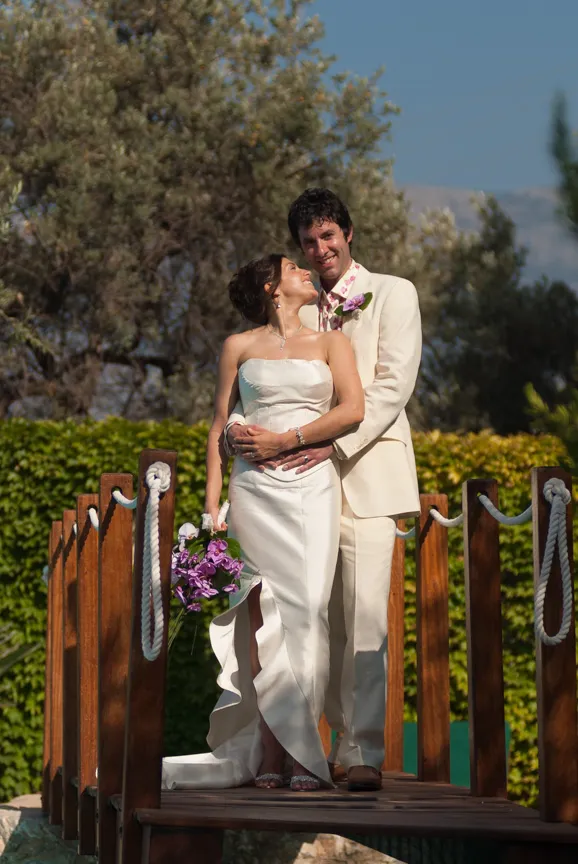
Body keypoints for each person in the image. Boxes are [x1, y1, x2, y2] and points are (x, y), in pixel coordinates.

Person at [227, 188, 422, 792]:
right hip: (293, 491)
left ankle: (360, 750)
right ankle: (303, 746)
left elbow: (391, 387)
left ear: (349, 234)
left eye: (329, 236)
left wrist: (328, 444)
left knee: (364, 619)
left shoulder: (393, 292)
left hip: (365, 475)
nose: (320, 249)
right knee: (306, 620)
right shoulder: (296, 306)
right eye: (308, 242)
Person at [162, 253, 364, 792]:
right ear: (272, 287)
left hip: (311, 490)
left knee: (307, 616)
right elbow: (215, 429)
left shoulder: (332, 343)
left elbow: (353, 410)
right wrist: (211, 510)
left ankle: (306, 753)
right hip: (252, 492)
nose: (306, 271)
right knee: (257, 620)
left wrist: (290, 439)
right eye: (293, 266)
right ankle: (273, 752)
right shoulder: (239, 346)